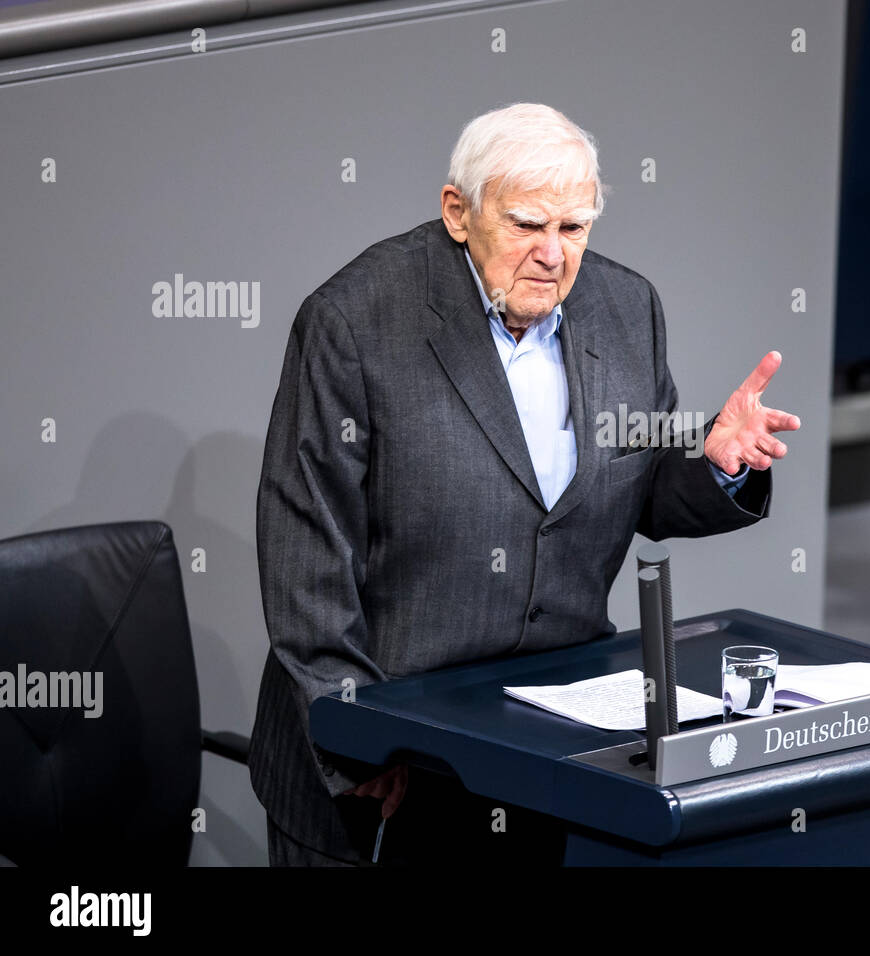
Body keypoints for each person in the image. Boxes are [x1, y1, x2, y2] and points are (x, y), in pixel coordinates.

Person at [248, 102, 800, 865]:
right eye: (527, 225)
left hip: (549, 751)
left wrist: (716, 461)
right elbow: (303, 551)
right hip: (392, 760)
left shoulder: (624, 307)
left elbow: (639, 484)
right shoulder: (354, 323)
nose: (552, 254)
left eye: (573, 229)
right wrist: (358, 734)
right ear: (458, 212)